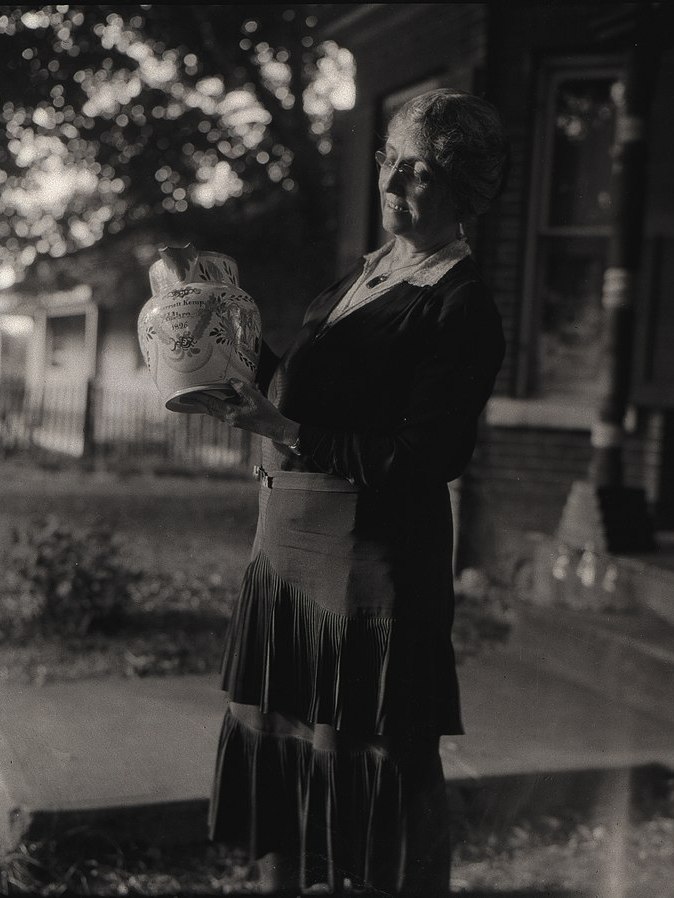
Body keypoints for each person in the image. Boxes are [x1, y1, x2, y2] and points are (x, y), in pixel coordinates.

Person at [195, 88, 509, 897]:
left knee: (371, 767)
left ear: (465, 186)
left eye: (423, 170)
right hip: (287, 557)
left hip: (369, 569)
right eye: (389, 161)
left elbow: (422, 457)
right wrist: (219, 328)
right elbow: (302, 397)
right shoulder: (359, 278)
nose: (395, 181)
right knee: (283, 745)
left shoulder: (460, 303)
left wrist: (283, 428)